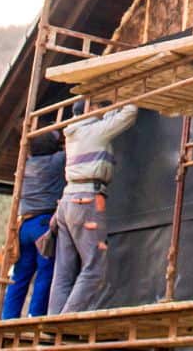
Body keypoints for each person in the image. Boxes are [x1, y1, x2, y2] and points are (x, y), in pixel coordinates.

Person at [46, 101, 139, 314]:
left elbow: (107, 121)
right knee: (94, 268)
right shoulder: (94, 132)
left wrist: (107, 108)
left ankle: (52, 322)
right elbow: (129, 114)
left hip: (68, 202)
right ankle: (64, 322)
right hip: (87, 200)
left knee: (64, 270)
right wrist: (125, 94)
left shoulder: (76, 131)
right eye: (99, 104)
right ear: (89, 109)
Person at [1, 131, 66, 319]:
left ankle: (8, 317)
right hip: (44, 224)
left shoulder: (25, 166)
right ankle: (35, 315)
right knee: (45, 271)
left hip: (24, 225)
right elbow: (73, 144)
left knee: (20, 275)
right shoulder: (57, 162)